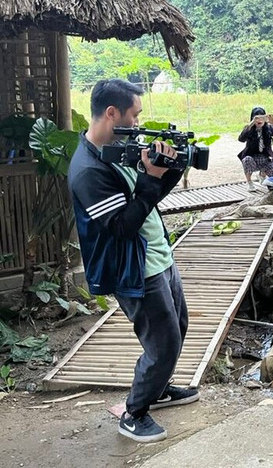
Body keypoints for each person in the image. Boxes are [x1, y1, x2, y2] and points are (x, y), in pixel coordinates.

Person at [68, 79, 199, 443]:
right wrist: (148, 180)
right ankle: (134, 412)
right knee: (163, 342)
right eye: (135, 115)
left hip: (159, 257)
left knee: (179, 326)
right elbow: (122, 228)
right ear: (112, 114)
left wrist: (166, 170)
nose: (138, 123)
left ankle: (157, 389)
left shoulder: (116, 148)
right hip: (135, 269)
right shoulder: (87, 171)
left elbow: (148, 199)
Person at [238, 106, 273, 191]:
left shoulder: (269, 128)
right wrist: (251, 124)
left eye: (262, 117)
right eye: (257, 118)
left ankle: (262, 174)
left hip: (266, 158)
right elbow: (241, 139)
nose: (259, 121)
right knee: (247, 160)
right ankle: (249, 182)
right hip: (252, 158)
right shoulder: (249, 129)